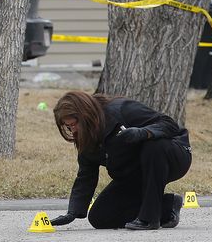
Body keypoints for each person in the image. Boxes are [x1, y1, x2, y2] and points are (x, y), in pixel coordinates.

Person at [51, 91, 192, 230]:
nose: (73, 130)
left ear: (85, 115)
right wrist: (73, 211)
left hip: (174, 155)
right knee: (100, 217)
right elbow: (86, 176)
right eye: (68, 127)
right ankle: (168, 206)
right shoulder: (87, 139)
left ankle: (149, 219)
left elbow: (169, 124)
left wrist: (143, 133)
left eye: (74, 124)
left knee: (153, 145)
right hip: (136, 171)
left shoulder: (121, 109)